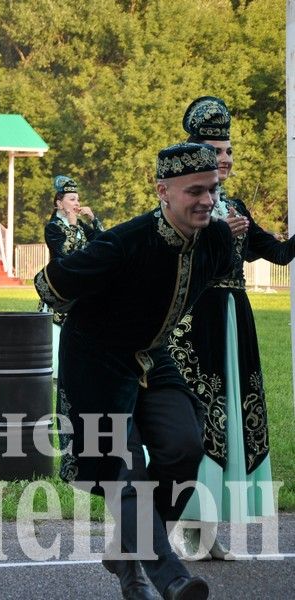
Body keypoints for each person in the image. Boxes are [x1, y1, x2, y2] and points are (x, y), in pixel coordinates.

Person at [35, 142, 234, 600]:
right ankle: (168, 578)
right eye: (195, 191)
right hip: (96, 362)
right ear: (163, 191)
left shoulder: (218, 239)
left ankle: (127, 549)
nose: (206, 199)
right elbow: (53, 284)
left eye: (213, 189)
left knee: (184, 446)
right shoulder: (124, 242)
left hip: (151, 356)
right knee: (123, 472)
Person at [168, 96, 291, 561]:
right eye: (216, 150)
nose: (225, 159)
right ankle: (186, 527)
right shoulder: (183, 201)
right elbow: (179, 258)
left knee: (233, 422)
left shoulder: (234, 205)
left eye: (228, 152)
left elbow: (278, 255)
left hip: (235, 319)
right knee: (202, 421)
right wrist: (222, 234)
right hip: (198, 322)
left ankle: (209, 534)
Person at [39, 175, 104, 375]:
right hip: (61, 287)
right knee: (58, 333)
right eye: (72, 199)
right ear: (59, 203)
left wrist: (93, 220)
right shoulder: (53, 228)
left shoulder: (81, 227)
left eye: (77, 199)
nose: (77, 203)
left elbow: (103, 243)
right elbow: (67, 254)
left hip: (81, 288)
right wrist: (74, 223)